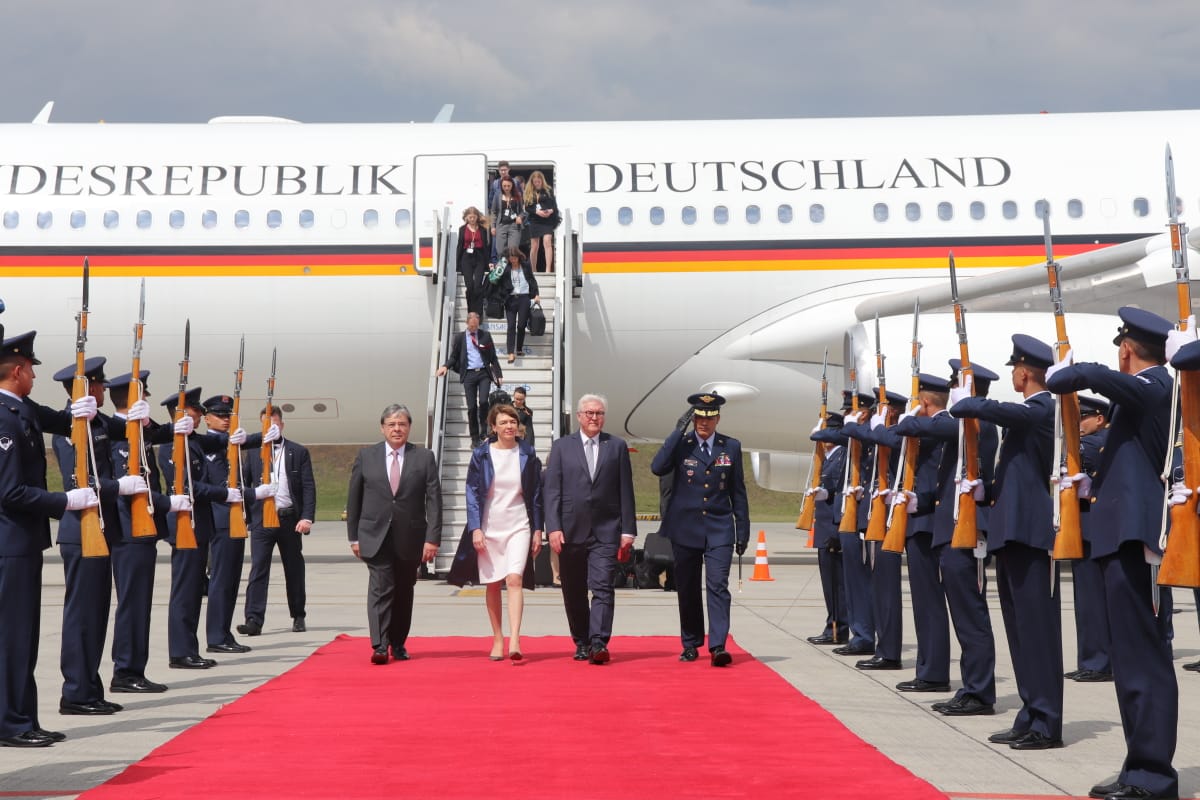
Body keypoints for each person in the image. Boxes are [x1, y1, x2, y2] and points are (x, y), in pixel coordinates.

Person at [1047, 307, 1178, 799]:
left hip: (1138, 538)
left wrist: (1069, 367)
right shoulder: (1142, 393)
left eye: (1119, 347)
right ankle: (1136, 767)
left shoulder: (1158, 385)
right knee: (1128, 661)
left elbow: (1091, 378)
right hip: (1116, 533)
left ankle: (1153, 776)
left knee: (1144, 659)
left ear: (1127, 348)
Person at [950, 334, 1063, 751]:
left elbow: (985, 408)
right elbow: (1016, 473)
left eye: (1015, 369)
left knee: (1037, 632)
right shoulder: (1028, 414)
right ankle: (1030, 713)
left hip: (1031, 534)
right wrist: (988, 488)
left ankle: (1047, 721)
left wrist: (965, 397)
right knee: (1019, 632)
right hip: (1012, 532)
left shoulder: (1041, 408)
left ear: (1024, 371)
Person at [0, 330, 98, 747]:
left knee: (24, 637)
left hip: (23, 543)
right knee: (12, 638)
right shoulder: (4, 418)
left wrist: (84, 407)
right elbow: (9, 492)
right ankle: (10, 723)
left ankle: (24, 718)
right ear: (18, 371)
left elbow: (60, 419)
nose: (35, 378)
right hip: (10, 544)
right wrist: (65, 501)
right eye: (32, 371)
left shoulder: (20, 409)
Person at [893, 369, 998, 716]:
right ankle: (972, 687)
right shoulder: (965, 421)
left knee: (971, 616)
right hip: (950, 526)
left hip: (966, 529)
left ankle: (979, 691)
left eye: (956, 386)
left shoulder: (974, 420)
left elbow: (916, 427)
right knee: (963, 615)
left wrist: (907, 416)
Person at [49, 357, 150, 716]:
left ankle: (89, 688)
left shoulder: (98, 422)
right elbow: (80, 482)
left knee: (96, 615)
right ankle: (75, 692)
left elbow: (130, 432)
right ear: (86, 388)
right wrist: (118, 486)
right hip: (82, 530)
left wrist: (144, 418)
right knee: (82, 616)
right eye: (98, 386)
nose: (104, 391)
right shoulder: (68, 427)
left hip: (103, 529)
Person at [651, 392, 750, 666]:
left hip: (719, 528)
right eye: (698, 418)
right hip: (686, 528)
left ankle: (718, 645)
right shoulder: (681, 445)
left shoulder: (730, 446)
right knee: (688, 587)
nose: (703, 424)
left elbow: (737, 491)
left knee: (718, 585)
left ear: (717, 418)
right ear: (692, 419)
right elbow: (657, 467)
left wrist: (743, 530)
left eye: (708, 418)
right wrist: (676, 431)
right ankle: (691, 642)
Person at [867, 379, 952, 694]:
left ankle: (933, 673)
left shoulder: (936, 426)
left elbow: (890, 437)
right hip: (920, 518)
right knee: (923, 601)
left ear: (925, 404)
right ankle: (928, 670)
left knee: (929, 601)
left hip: (928, 519)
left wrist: (890, 422)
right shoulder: (927, 427)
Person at [544, 393, 637, 663]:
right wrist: (553, 528)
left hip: (607, 530)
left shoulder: (616, 446)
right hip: (570, 531)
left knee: (603, 586)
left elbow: (625, 490)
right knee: (573, 589)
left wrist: (627, 530)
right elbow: (552, 491)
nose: (594, 417)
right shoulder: (562, 447)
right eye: (589, 413)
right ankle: (581, 641)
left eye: (599, 413)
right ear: (579, 416)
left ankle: (599, 642)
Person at [346, 404, 442, 664]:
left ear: (409, 427)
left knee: (403, 591)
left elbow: (434, 500)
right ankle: (379, 645)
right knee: (380, 588)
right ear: (382, 428)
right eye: (392, 424)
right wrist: (353, 537)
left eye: (402, 424)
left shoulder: (424, 458)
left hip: (410, 537)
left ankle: (398, 642)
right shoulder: (367, 457)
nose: (397, 429)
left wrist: (432, 539)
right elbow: (354, 499)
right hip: (374, 535)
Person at [158, 388, 239, 670]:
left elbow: (220, 442)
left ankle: (188, 649)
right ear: (181, 414)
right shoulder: (172, 445)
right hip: (184, 525)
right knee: (184, 591)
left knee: (193, 590)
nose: (199, 416)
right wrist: (225, 494)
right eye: (194, 411)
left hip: (197, 525)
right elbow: (191, 486)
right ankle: (180, 652)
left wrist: (256, 437)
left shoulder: (192, 441)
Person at [106, 369, 172, 694]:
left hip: (142, 530)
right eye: (143, 395)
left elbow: (165, 435)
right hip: (129, 531)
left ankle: (134, 668)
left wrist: (147, 425)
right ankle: (126, 670)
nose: (146, 401)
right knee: (133, 601)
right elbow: (129, 486)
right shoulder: (116, 435)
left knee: (140, 602)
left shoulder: (139, 432)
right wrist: (168, 503)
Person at [461, 404, 543, 660]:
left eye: (513, 421)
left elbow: (537, 495)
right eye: (503, 422)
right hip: (489, 526)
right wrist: (475, 528)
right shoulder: (482, 454)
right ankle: (498, 638)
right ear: (493, 427)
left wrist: (538, 529)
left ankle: (515, 640)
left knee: (514, 579)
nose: (509, 426)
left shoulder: (527, 454)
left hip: (519, 524)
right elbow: (472, 493)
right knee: (493, 583)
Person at [238, 407, 316, 636]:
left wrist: (307, 517)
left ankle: (298, 614)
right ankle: (253, 619)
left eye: (273, 425)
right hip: (263, 519)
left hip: (289, 518)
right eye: (265, 425)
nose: (269, 429)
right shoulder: (252, 452)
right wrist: (245, 514)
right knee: (258, 569)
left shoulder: (297, 451)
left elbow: (308, 487)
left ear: (281, 425)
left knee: (293, 568)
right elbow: (245, 485)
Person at [815, 391, 876, 659]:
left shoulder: (866, 435)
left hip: (864, 517)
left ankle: (863, 634)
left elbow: (827, 436)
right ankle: (857, 633)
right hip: (848, 517)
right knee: (851, 582)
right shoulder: (854, 439)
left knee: (859, 582)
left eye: (852, 411)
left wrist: (822, 431)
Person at [1063, 394, 1113, 683]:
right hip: (1083, 525)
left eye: (1083, 418)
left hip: (1096, 525)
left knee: (1094, 597)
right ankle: (1090, 659)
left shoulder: (1099, 441)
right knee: (1085, 598)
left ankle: (1099, 662)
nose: (1079, 423)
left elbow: (1082, 452)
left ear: (1099, 418)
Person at [200, 394, 254, 655]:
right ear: (207, 418)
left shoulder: (229, 446)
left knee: (231, 580)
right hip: (221, 520)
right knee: (221, 580)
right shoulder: (210, 448)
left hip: (236, 519)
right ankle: (216, 636)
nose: (225, 421)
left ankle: (224, 632)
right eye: (220, 416)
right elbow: (223, 486)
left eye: (228, 417)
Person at [805, 412, 848, 645]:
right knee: (830, 583)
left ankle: (837, 628)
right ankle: (834, 624)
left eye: (832, 430)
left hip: (832, 527)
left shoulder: (841, 456)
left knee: (835, 584)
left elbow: (834, 489)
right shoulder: (829, 456)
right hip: (824, 527)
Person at [437, 312, 503, 447]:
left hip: (484, 373)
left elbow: (493, 357)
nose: (474, 328)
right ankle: (474, 438)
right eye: (471, 326)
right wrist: (445, 366)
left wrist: (499, 374)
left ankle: (484, 432)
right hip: (469, 375)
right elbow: (454, 356)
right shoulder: (460, 338)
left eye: (476, 326)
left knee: (484, 401)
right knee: (472, 407)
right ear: (467, 323)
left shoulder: (485, 335)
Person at [496, 248, 540, 365]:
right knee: (511, 326)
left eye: (515, 258)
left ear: (519, 257)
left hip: (524, 298)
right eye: (511, 259)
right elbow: (496, 280)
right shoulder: (505, 267)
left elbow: (531, 280)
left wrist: (536, 294)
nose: (513, 260)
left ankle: (519, 348)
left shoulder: (525, 266)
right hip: (510, 299)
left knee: (521, 325)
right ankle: (511, 352)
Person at [457, 207, 492, 317]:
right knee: (470, 286)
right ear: (466, 217)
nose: (472, 219)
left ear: (477, 217)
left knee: (478, 286)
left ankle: (478, 313)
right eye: (470, 217)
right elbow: (459, 246)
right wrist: (457, 264)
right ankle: (471, 312)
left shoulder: (482, 229)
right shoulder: (462, 229)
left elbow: (486, 247)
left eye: (474, 217)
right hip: (466, 257)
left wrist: (488, 262)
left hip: (479, 257)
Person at [524, 170, 557, 273]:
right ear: (532, 182)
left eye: (539, 181)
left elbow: (554, 206)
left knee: (547, 242)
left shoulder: (548, 190)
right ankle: (533, 269)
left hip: (547, 220)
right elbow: (527, 207)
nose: (537, 183)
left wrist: (550, 211)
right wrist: (536, 211)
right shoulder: (529, 191)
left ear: (542, 181)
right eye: (535, 182)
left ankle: (548, 269)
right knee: (534, 245)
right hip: (535, 220)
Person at [490, 175, 526, 258]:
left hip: (514, 226)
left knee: (512, 250)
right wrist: (493, 226)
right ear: (501, 186)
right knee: (500, 251)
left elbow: (522, 212)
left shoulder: (518, 195)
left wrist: (520, 217)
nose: (506, 188)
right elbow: (494, 212)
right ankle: (503, 270)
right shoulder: (497, 195)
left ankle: (511, 269)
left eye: (508, 186)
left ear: (512, 185)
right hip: (501, 225)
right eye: (504, 186)